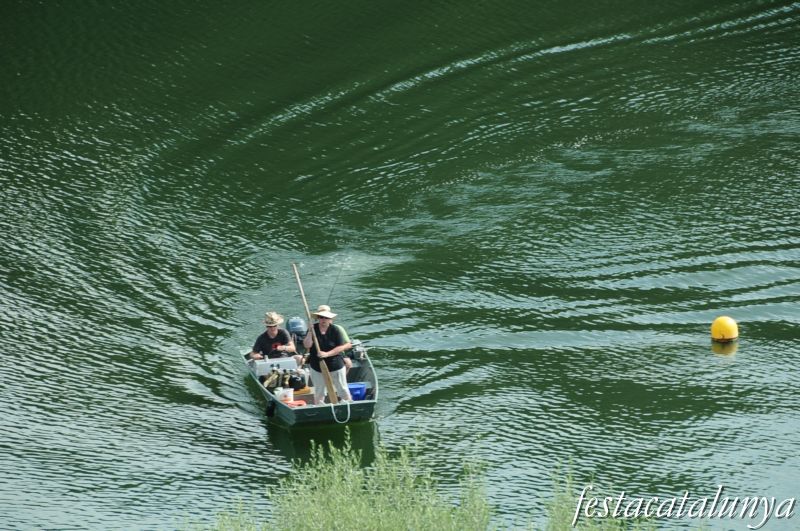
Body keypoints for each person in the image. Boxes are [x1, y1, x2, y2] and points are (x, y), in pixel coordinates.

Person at [303, 304, 352, 404]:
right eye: (321, 317)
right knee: (319, 392)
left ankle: (348, 405)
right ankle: (320, 408)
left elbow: (341, 347)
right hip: (317, 366)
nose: (323, 320)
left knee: (343, 389)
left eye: (326, 317)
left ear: (330, 319)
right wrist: (310, 332)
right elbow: (307, 345)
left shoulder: (335, 330)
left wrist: (327, 354)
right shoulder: (313, 329)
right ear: (318, 318)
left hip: (336, 365)